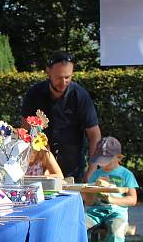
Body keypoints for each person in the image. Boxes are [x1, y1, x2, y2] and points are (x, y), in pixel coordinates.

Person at [21, 51, 101, 180]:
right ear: (48, 72)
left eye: (67, 77)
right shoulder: (34, 94)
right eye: (59, 77)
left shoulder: (80, 96)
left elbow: (94, 135)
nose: (63, 82)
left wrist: (92, 170)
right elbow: (25, 131)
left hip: (73, 163)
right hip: (42, 163)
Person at [81, 137, 139, 242]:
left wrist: (113, 198)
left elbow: (133, 199)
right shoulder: (96, 174)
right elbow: (90, 202)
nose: (102, 164)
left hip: (116, 212)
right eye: (100, 160)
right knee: (79, 226)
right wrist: (88, 190)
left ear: (118, 157)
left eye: (105, 160)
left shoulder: (126, 175)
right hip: (97, 211)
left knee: (116, 230)